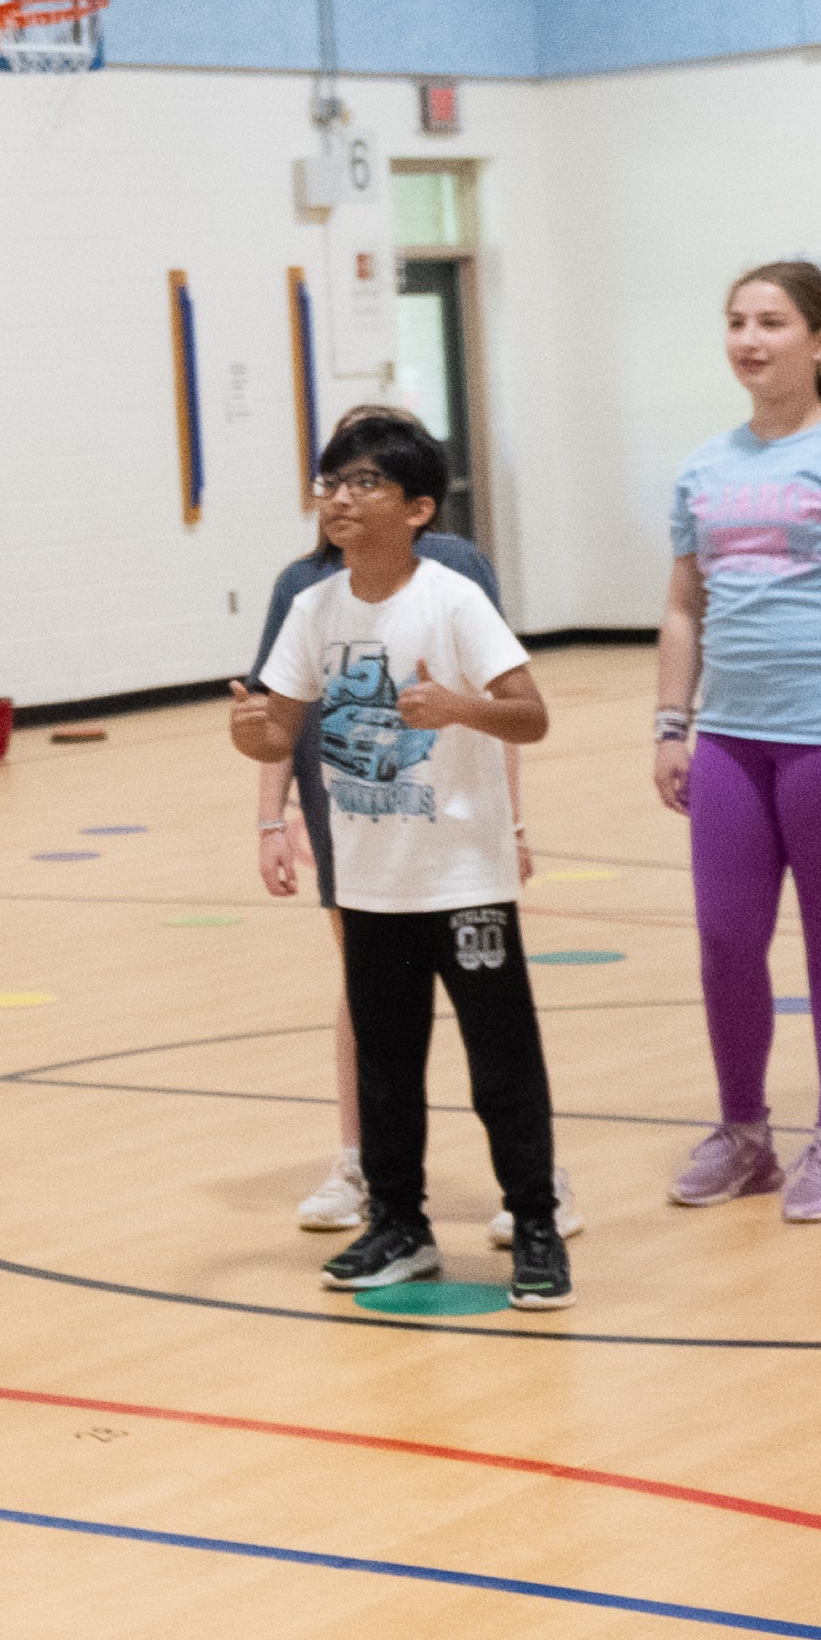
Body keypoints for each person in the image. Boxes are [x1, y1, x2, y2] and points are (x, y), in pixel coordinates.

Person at [229, 415, 566, 1305]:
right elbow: (278, 734)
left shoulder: (453, 598)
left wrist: (459, 707)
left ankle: (534, 1223)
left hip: (463, 878)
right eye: (331, 481)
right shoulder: (311, 606)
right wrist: (249, 731)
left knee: (501, 1060)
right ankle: (400, 1225)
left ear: (417, 508)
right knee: (385, 1062)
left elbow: (530, 714)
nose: (341, 497)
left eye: (365, 482)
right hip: (370, 879)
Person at [654, 260, 821, 1220]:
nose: (749, 339)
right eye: (736, 321)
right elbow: (685, 606)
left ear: (819, 341)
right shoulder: (704, 467)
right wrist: (670, 724)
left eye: (771, 321)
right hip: (730, 735)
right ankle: (744, 1134)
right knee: (728, 941)